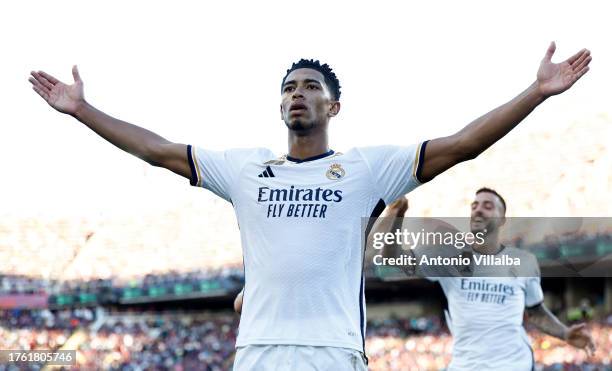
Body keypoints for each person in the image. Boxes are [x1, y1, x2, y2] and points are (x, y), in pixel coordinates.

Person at [29, 43, 591, 370]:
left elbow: (463, 145)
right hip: (257, 350)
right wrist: (83, 111)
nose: (297, 92)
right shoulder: (244, 168)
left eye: (310, 86)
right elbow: (155, 152)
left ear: (334, 104)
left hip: (334, 350)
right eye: (289, 87)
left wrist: (535, 93)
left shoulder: (370, 169)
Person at [376, 192, 595, 370]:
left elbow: (536, 312)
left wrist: (564, 333)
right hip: (465, 366)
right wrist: (396, 216)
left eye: (488, 206)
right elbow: (392, 258)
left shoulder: (524, 262)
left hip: (514, 364)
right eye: (474, 205)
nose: (478, 209)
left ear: (502, 219)